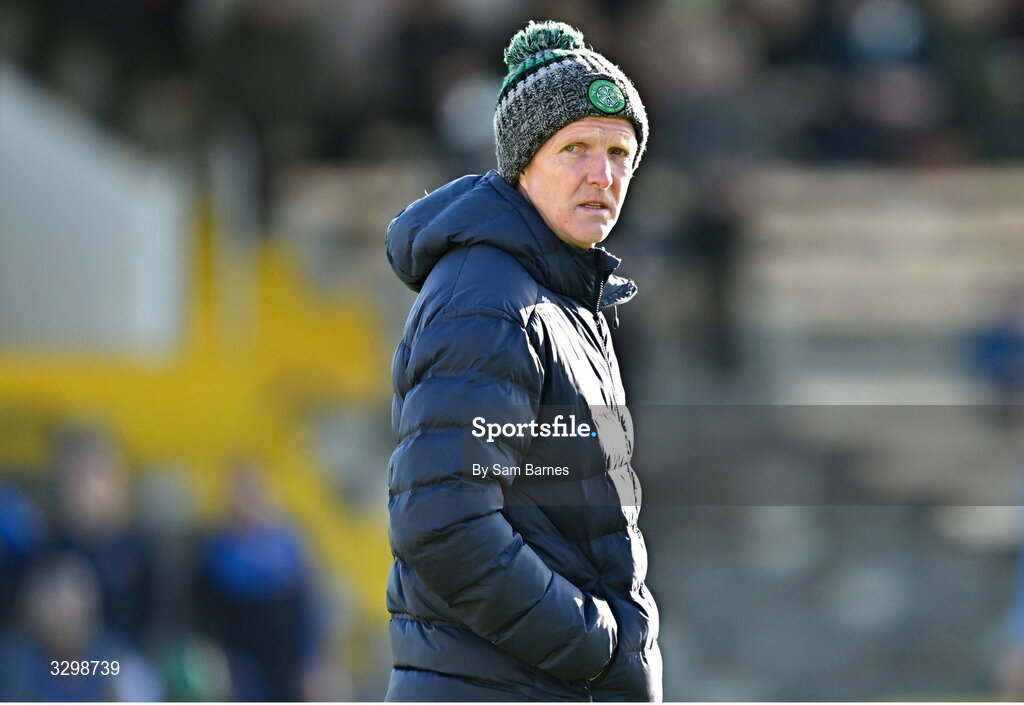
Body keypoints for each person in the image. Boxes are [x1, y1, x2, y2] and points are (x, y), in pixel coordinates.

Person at [385, 20, 661, 701]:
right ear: (522, 161)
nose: (603, 174)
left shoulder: (561, 296)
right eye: (576, 148)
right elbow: (445, 524)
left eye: (619, 152)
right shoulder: (489, 296)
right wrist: (595, 646)